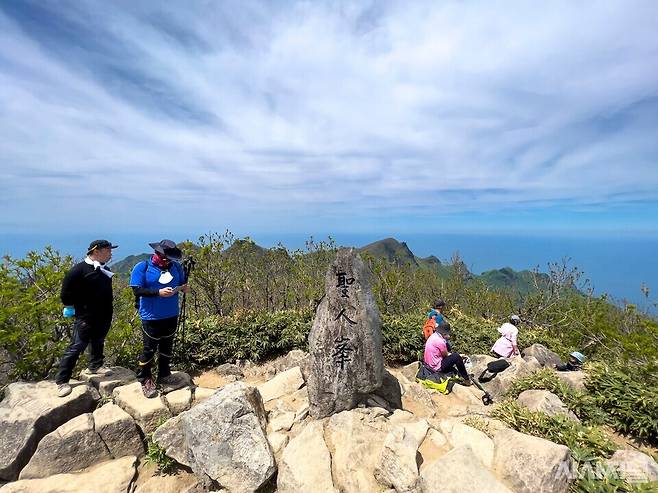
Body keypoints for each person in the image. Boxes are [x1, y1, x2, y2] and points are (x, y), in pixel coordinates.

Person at [55, 239, 118, 397]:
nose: (111, 254)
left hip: (104, 314)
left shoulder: (104, 269)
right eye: (108, 251)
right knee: (77, 346)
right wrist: (73, 309)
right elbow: (65, 294)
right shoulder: (78, 271)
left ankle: (95, 366)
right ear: (96, 252)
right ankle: (62, 381)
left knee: (99, 340)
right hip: (86, 316)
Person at [130, 239, 189, 398]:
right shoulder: (143, 267)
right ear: (157, 253)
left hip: (171, 314)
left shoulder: (175, 267)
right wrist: (158, 293)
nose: (167, 261)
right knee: (149, 349)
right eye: (165, 257)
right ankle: (145, 378)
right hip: (151, 316)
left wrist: (184, 288)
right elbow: (137, 291)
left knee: (166, 347)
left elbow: (182, 283)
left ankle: (164, 374)